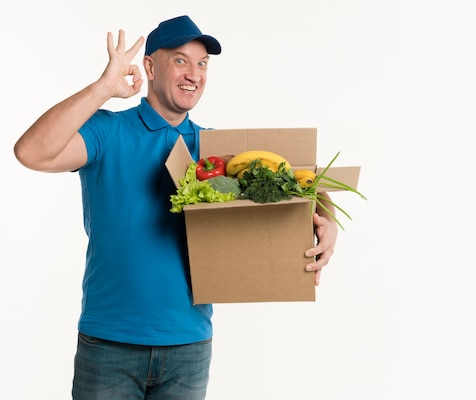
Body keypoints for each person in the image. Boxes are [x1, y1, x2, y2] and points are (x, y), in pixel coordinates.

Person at [13, 15, 338, 400]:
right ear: (150, 67)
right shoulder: (107, 131)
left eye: (202, 64)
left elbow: (296, 182)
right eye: (181, 60)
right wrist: (103, 88)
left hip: (189, 348)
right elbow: (30, 152)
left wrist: (328, 219)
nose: (194, 74)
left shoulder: (216, 150)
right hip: (109, 345)